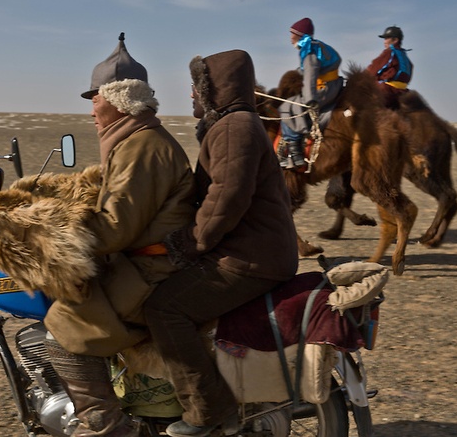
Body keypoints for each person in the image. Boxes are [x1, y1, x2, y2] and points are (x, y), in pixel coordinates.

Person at [44, 32, 196, 437]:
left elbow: (114, 227)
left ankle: (107, 429)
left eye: (95, 98)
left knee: (62, 328)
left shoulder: (142, 146)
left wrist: (50, 233)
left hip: (151, 270)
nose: (91, 109)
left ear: (119, 98)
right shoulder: (135, 141)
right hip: (142, 262)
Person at [144, 49, 299, 437]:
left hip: (250, 258)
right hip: (256, 250)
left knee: (165, 309)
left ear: (216, 90)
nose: (192, 95)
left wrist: (188, 244)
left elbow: (226, 199)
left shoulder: (235, 128)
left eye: (198, 87)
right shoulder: (236, 125)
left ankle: (207, 408)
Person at [277, 17, 344, 169]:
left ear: (300, 35)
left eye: (292, 34)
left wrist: (310, 100)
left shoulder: (309, 52)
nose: (290, 38)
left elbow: (310, 75)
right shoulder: (318, 46)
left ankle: (294, 153)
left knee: (287, 107)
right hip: (334, 85)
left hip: (323, 90)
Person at [367, 25, 414, 109]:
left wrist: (358, 77)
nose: (384, 41)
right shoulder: (405, 57)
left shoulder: (389, 52)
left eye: (386, 38)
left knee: (358, 98)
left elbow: (372, 70)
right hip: (404, 92)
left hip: (387, 91)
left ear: (395, 40)